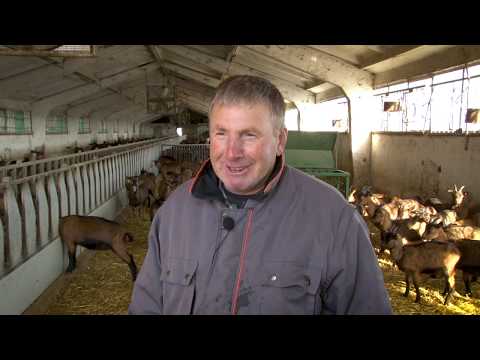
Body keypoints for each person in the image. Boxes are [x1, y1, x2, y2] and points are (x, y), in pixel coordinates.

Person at [128, 75, 392, 315]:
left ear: (280, 141)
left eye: (249, 135)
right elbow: (146, 306)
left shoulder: (333, 219)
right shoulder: (175, 212)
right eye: (221, 134)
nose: (232, 152)